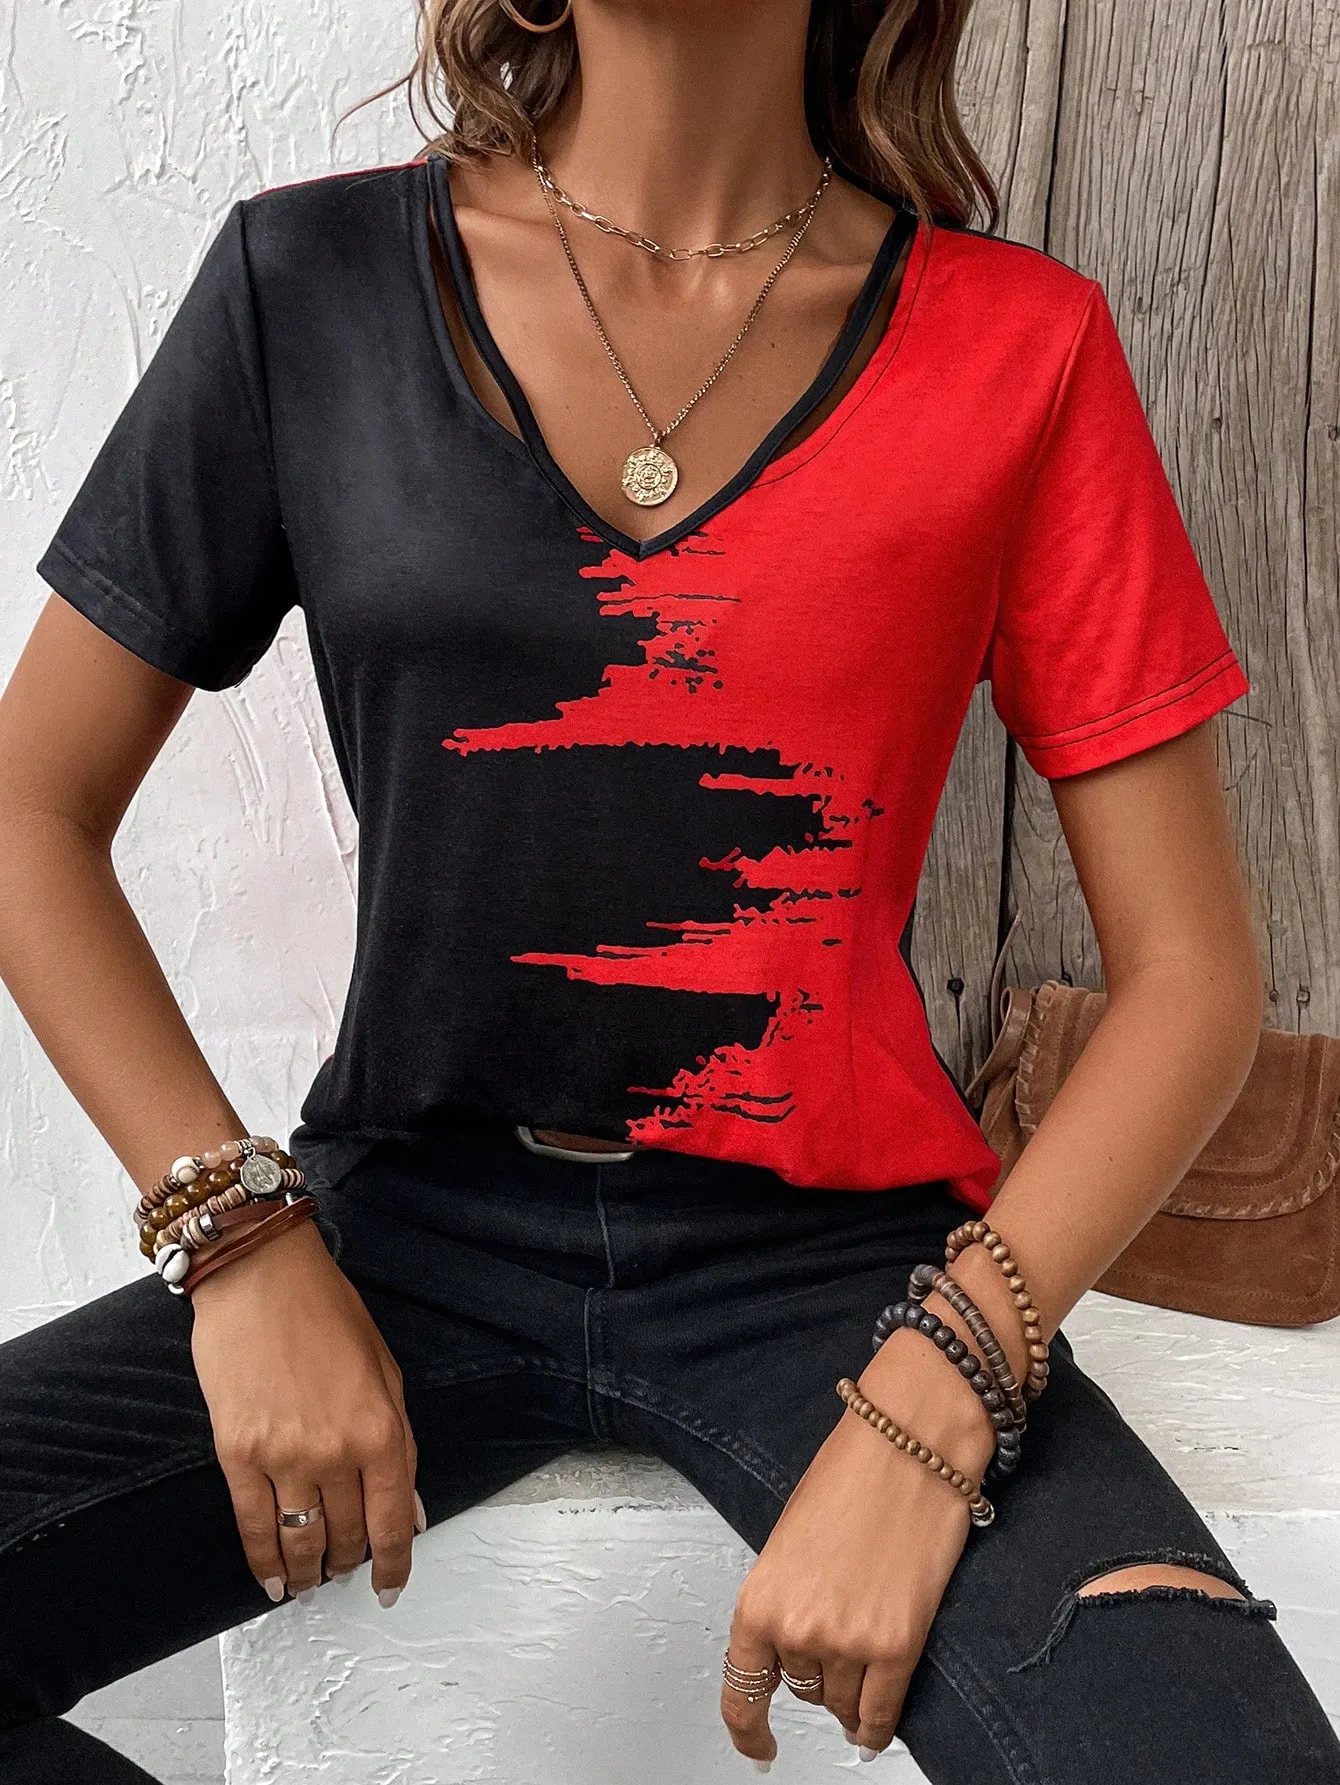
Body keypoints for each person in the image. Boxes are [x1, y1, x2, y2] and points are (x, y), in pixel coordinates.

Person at [0, 1, 1336, 1780]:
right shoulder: (304, 287)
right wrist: (235, 1237)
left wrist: (944, 1386)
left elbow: (1192, 980)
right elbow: (28, 809)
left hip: (839, 1271)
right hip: (405, 1232)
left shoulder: (1021, 347)